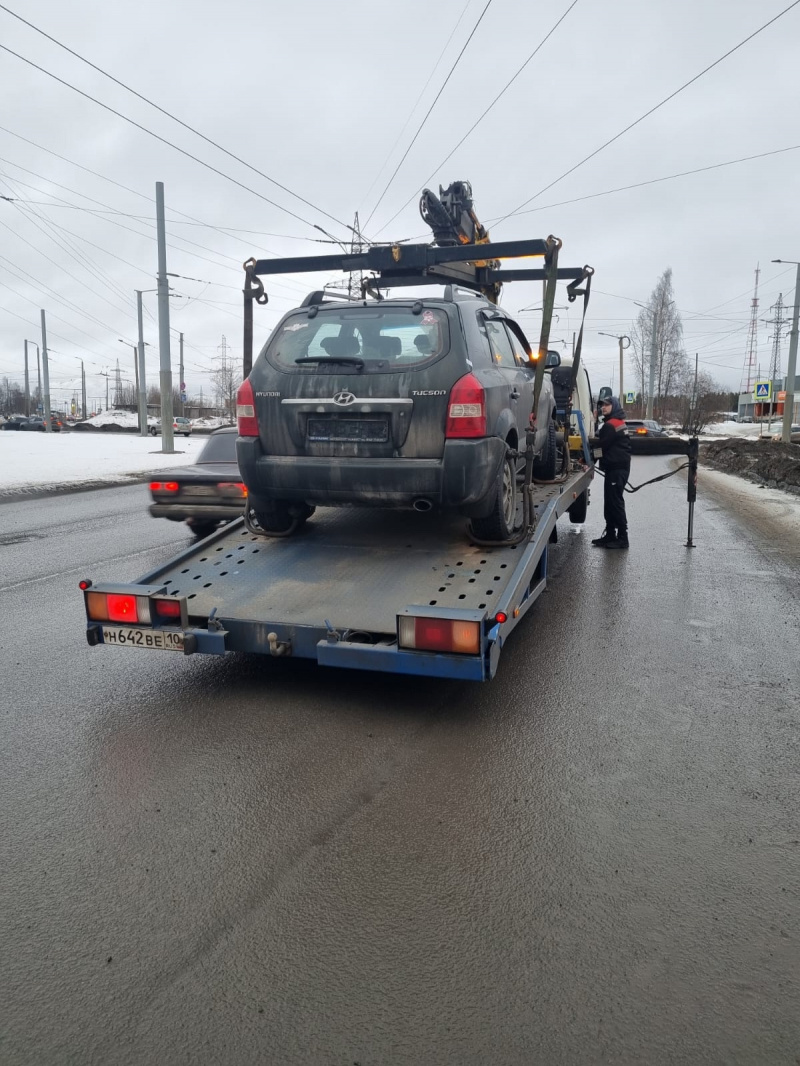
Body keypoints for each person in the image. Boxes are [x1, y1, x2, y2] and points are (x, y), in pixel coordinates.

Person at [592, 396, 631, 549]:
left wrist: (586, 460)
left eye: (607, 405)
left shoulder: (611, 425)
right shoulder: (618, 422)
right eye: (602, 405)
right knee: (610, 503)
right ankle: (610, 534)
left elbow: (601, 448)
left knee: (615, 503)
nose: (603, 407)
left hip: (616, 469)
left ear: (614, 406)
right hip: (618, 468)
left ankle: (622, 538)